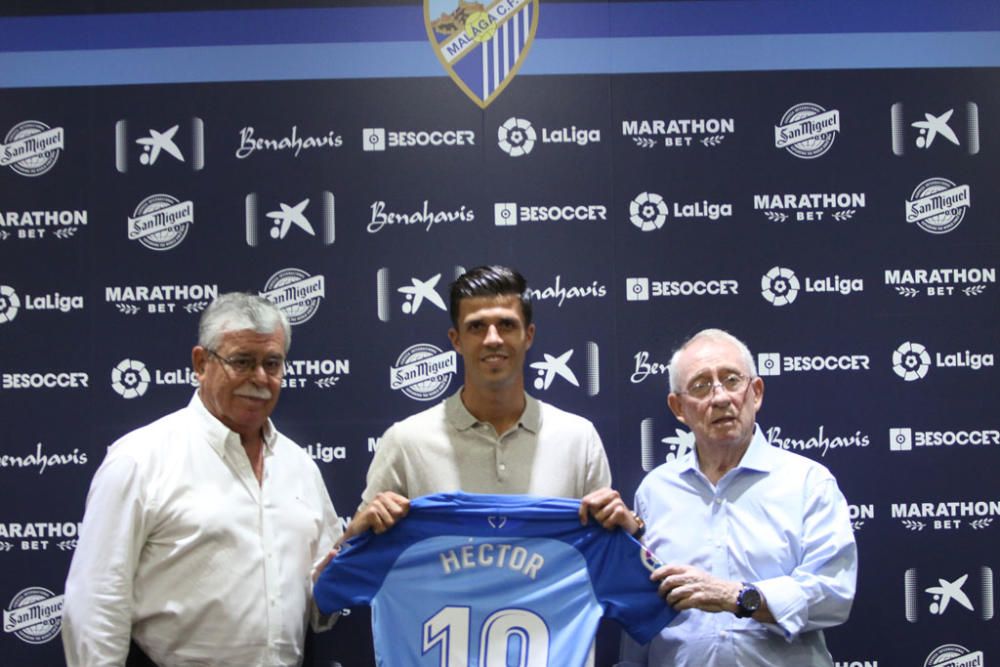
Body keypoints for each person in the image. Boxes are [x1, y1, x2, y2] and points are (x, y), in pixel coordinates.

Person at [62, 292, 342, 667]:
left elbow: (319, 600)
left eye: (272, 363)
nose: (260, 378)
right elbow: (96, 603)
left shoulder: (301, 467)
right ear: (201, 362)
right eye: (242, 361)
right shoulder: (140, 460)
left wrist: (351, 558)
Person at [343, 265, 641, 540]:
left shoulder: (578, 437)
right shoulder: (406, 440)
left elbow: (603, 548)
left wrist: (630, 526)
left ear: (529, 336)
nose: (493, 339)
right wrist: (357, 530)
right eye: (476, 327)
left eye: (507, 325)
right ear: (456, 340)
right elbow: (356, 552)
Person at [619, 328, 857, 666]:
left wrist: (738, 596)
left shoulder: (808, 482)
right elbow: (640, 614)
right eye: (701, 386)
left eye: (731, 381)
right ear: (679, 408)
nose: (719, 398)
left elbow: (833, 593)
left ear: (756, 392)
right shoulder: (655, 492)